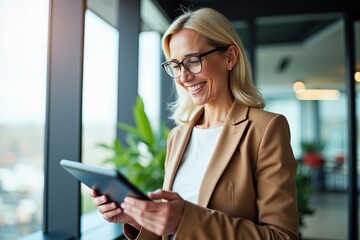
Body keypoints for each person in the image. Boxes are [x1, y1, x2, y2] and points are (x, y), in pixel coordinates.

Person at [90, 7, 299, 240]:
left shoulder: (265, 129)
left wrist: (186, 219)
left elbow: (282, 236)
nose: (183, 76)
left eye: (192, 61)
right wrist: (139, 219)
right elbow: (171, 230)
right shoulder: (178, 137)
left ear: (230, 57)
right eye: (176, 65)